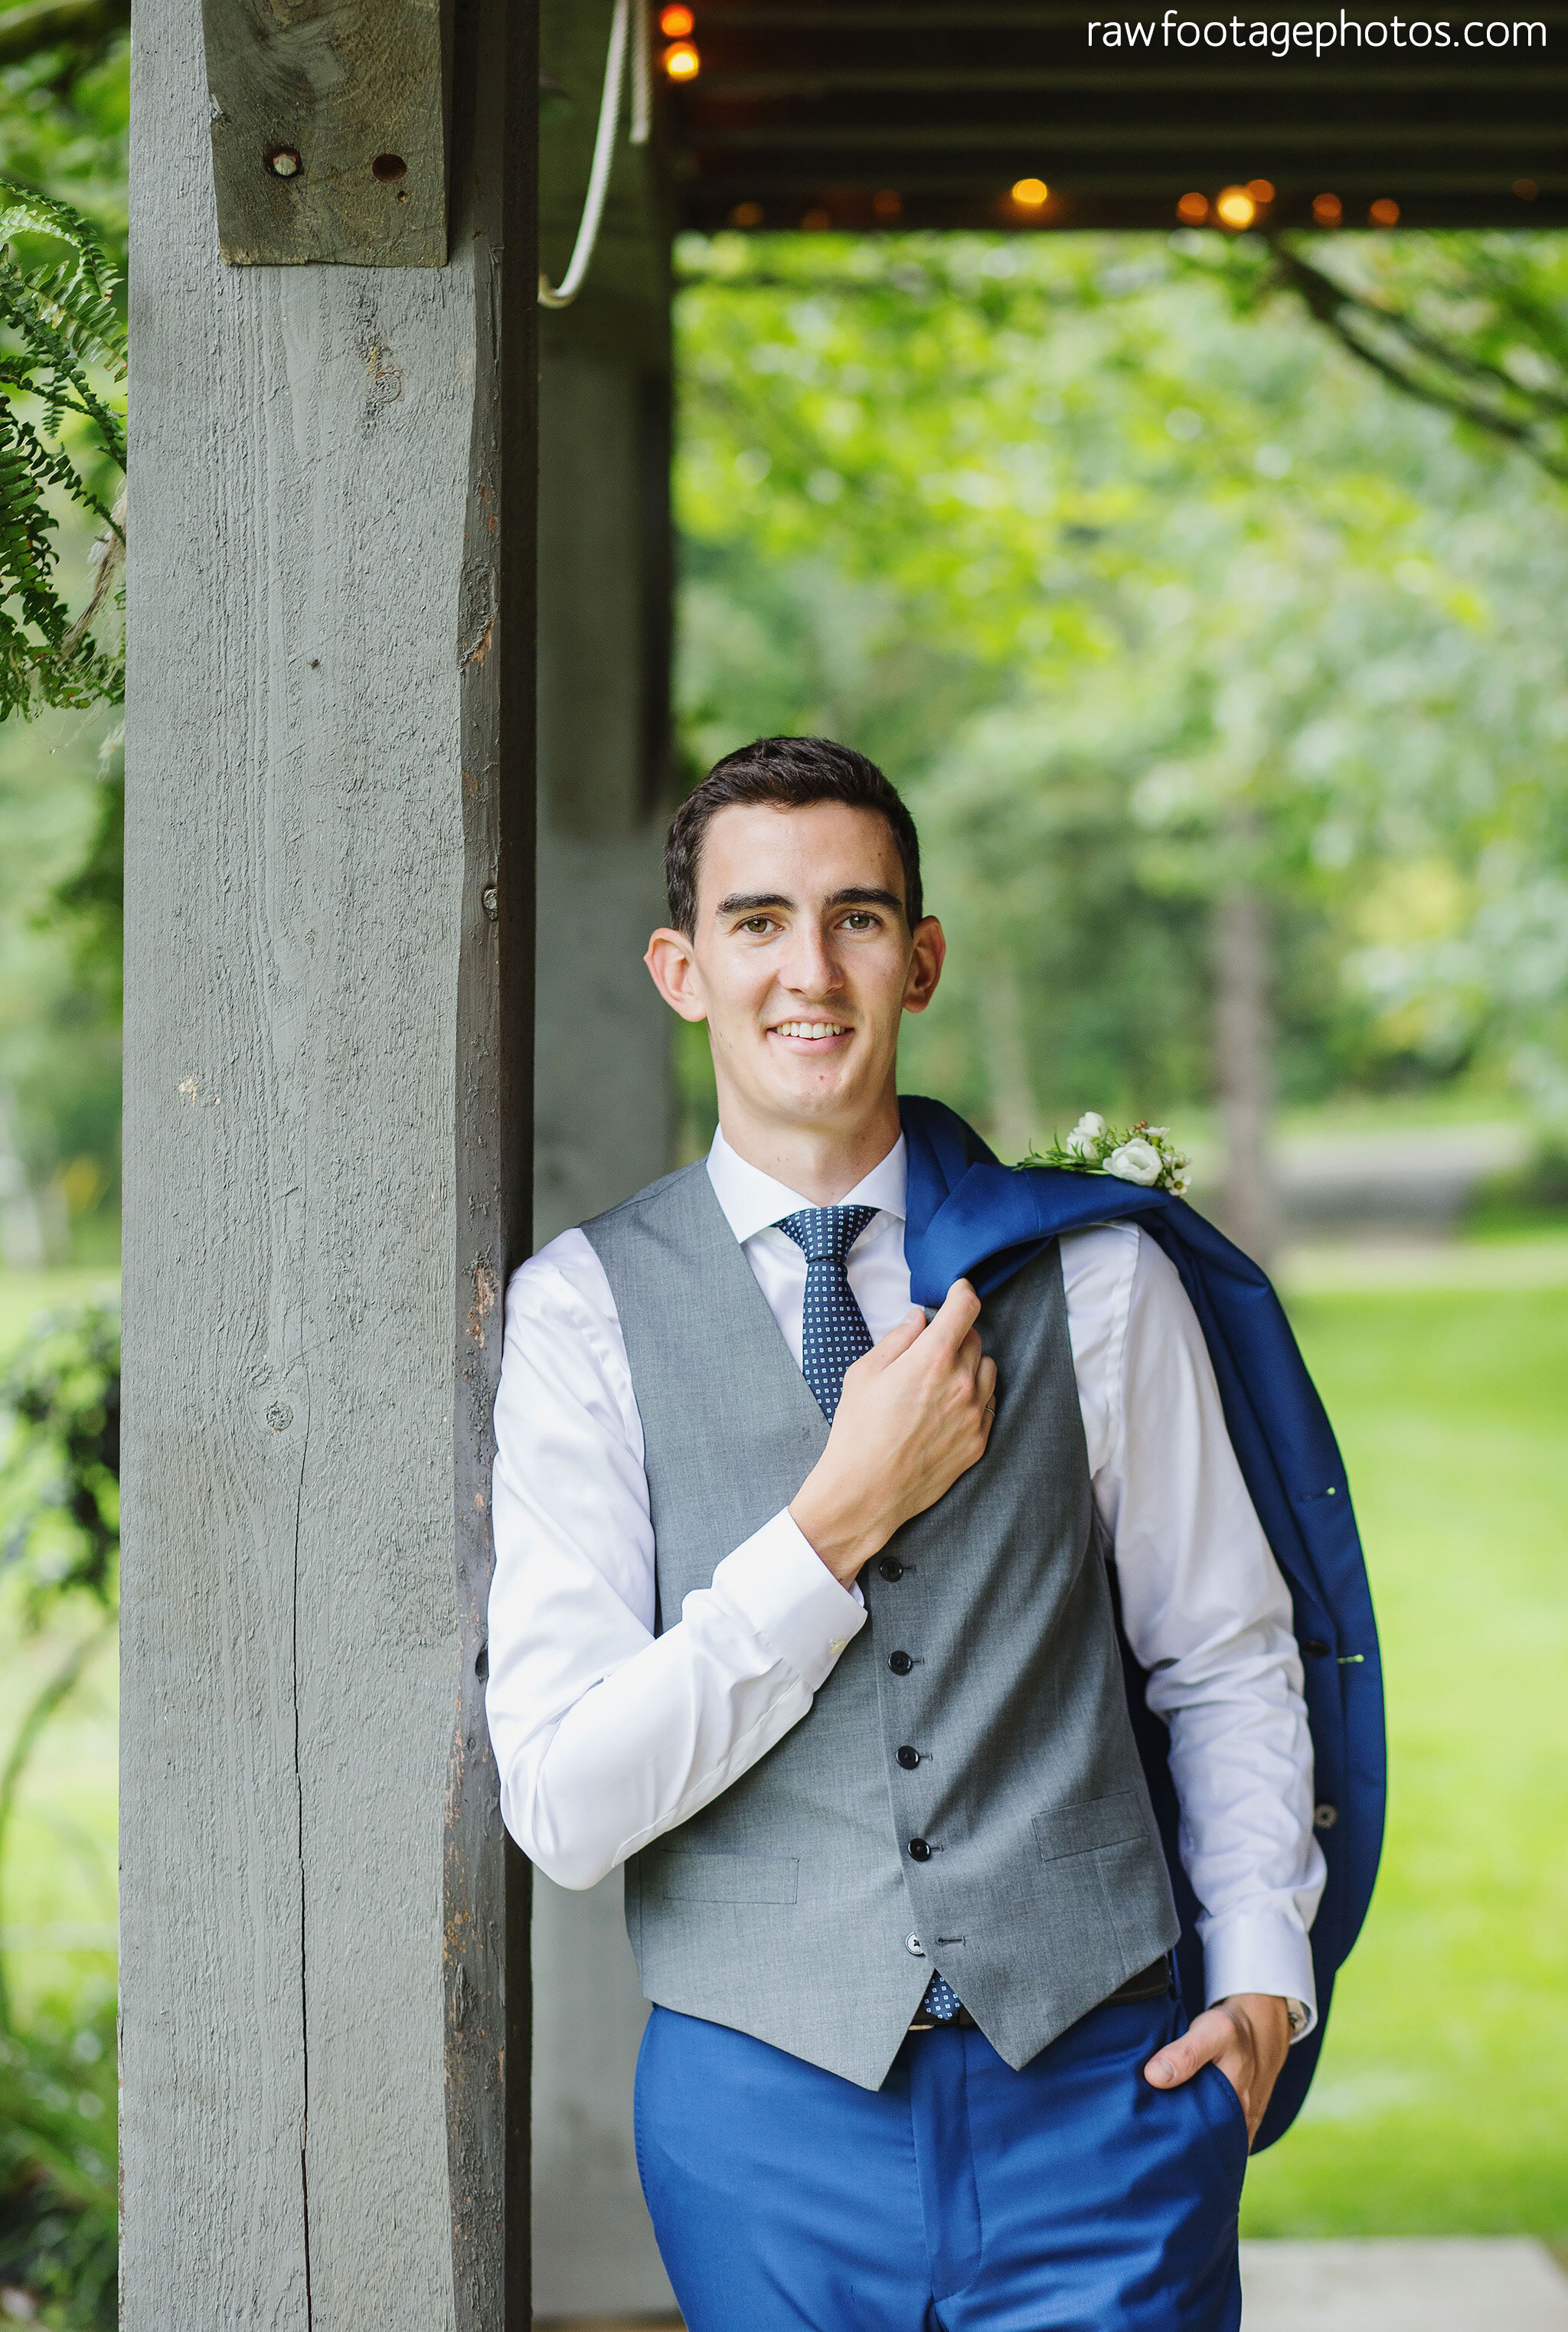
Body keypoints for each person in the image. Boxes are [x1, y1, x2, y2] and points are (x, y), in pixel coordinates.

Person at [486, 737, 1327, 2331]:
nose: (809, 970)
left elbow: (1219, 1652)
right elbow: (566, 1801)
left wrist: (1261, 1969)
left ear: (921, 958)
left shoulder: (1091, 1280)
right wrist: (829, 1529)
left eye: (857, 919)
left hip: (1105, 2095)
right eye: (756, 924)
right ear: (681, 970)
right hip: (766, 2129)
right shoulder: (583, 1315)